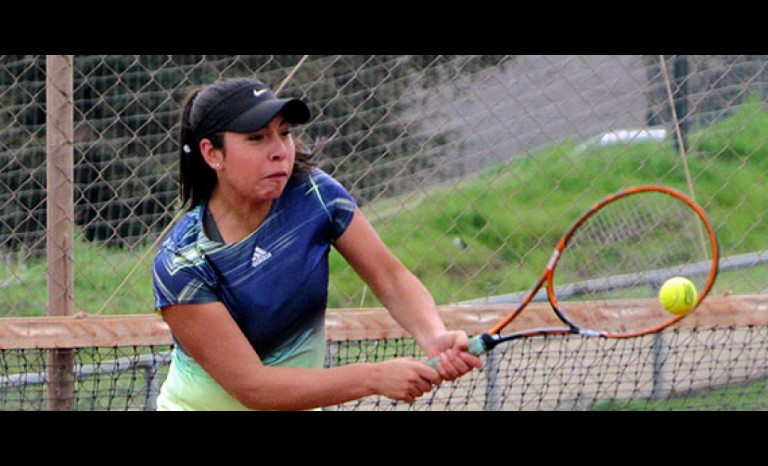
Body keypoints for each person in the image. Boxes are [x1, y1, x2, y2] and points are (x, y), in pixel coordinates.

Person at [152, 77, 483, 410]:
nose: (280, 151)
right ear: (212, 153)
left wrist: (433, 335)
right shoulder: (183, 262)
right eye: (257, 138)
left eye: (284, 133)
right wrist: (374, 377)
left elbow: (391, 278)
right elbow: (255, 387)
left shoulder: (315, 196)